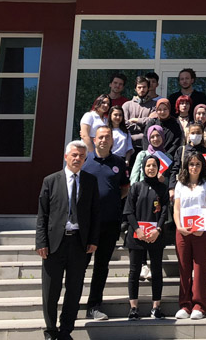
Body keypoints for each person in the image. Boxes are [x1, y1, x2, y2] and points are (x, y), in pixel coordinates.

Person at [36, 140, 99, 340]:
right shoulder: (51, 181)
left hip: (79, 243)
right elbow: (42, 215)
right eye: (74, 155)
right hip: (55, 243)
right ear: (66, 157)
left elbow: (95, 213)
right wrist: (41, 242)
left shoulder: (90, 181)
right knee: (50, 290)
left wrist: (93, 240)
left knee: (74, 289)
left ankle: (65, 330)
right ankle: (50, 330)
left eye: (81, 156)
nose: (77, 158)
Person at [80, 126, 129, 320]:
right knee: (80, 265)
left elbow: (124, 188)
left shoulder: (119, 163)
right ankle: (71, 303)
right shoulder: (85, 160)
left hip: (109, 223)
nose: (104, 140)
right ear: (94, 140)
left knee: (102, 266)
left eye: (107, 137)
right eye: (100, 137)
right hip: (87, 224)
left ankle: (94, 306)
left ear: (112, 141)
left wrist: (111, 200)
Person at [123, 155, 168, 320]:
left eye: (154, 165)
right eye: (148, 165)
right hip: (137, 236)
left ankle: (156, 307)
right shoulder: (136, 187)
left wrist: (158, 230)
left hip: (156, 236)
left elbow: (164, 212)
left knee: (156, 270)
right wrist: (137, 229)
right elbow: (129, 211)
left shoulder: (162, 188)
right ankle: (134, 307)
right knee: (134, 271)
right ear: (143, 167)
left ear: (158, 168)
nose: (151, 168)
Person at [173, 151, 206, 319]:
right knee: (184, 268)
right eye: (191, 164)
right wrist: (179, 226)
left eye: (198, 164)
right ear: (186, 166)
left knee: (200, 268)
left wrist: (203, 226)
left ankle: (199, 305)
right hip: (183, 230)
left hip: (201, 231)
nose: (194, 167)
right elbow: (176, 208)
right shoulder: (180, 184)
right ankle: (185, 305)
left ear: (202, 166)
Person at [169, 122, 206, 192]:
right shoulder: (182, 150)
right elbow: (175, 169)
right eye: (193, 133)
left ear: (202, 134)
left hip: (201, 188)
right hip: (183, 185)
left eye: (198, 133)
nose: (195, 135)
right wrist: (172, 188)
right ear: (189, 134)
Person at [124, 76, 156, 150]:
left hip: (147, 146)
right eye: (139, 87)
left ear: (148, 88)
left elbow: (153, 122)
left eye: (144, 87)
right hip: (128, 146)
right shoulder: (127, 105)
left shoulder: (154, 105)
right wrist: (141, 127)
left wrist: (135, 120)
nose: (142, 90)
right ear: (135, 89)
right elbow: (124, 124)